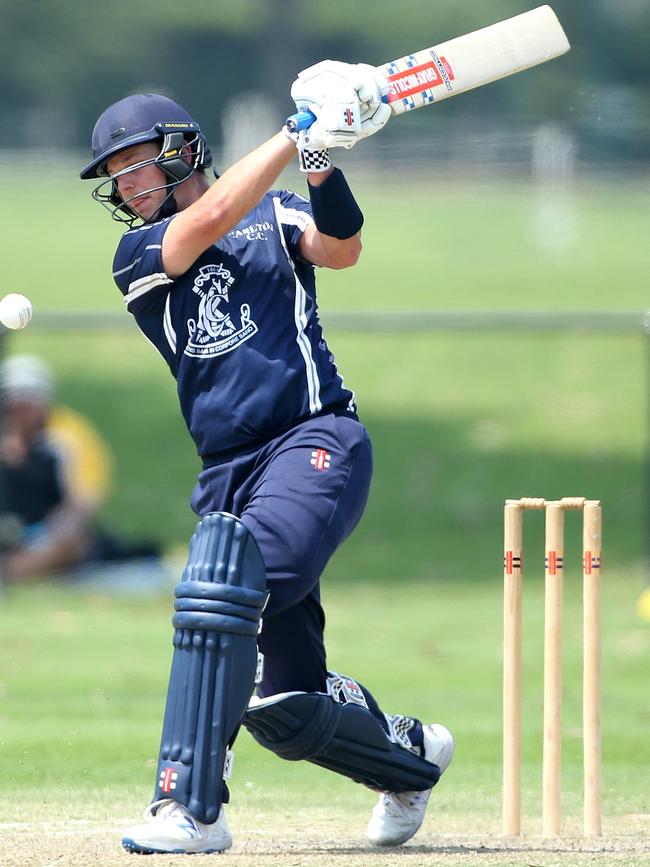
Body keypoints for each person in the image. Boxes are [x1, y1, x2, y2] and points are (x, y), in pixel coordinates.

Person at [80, 63, 453, 855]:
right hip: (229, 475)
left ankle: (189, 806)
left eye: (136, 162)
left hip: (314, 442)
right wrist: (295, 130)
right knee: (285, 704)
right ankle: (407, 756)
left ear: (182, 149)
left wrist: (323, 155)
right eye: (115, 174)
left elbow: (343, 248)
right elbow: (212, 215)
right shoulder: (139, 255)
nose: (127, 184)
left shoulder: (278, 214)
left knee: (220, 590)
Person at [0, 354, 161, 583]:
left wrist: (49, 535)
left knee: (72, 543)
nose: (20, 410)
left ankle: (15, 572)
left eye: (27, 401)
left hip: (47, 532)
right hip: (10, 530)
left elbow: (82, 503)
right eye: (14, 402)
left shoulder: (69, 437)